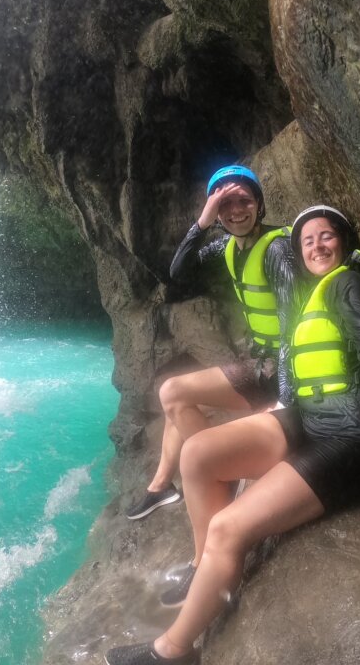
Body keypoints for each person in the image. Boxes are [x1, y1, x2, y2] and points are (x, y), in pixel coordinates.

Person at [105, 205, 360, 665]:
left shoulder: (349, 285)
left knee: (229, 529)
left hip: (353, 438)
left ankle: (173, 651)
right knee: (198, 453)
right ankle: (205, 565)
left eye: (326, 236)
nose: (317, 246)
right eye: (307, 240)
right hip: (310, 417)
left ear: (344, 242)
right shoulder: (313, 294)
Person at [124, 165, 297, 521]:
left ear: (259, 204)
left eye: (244, 200)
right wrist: (201, 224)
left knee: (173, 393)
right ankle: (161, 486)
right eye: (225, 204)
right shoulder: (228, 246)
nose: (236, 211)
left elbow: (293, 325)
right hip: (260, 362)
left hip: (282, 367)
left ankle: (224, 472)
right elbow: (177, 274)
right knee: (177, 401)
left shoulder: (278, 249)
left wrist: (284, 400)